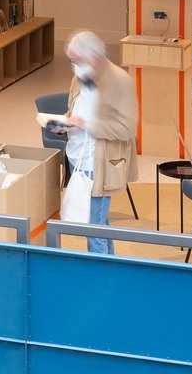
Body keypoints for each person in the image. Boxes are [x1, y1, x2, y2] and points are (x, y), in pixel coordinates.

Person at [59, 31, 136, 254]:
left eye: (76, 60)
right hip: (76, 158)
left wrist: (88, 125)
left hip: (99, 163)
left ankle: (100, 276)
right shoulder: (80, 75)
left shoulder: (119, 81)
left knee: (94, 228)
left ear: (92, 57)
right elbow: (75, 108)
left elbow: (126, 128)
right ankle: (111, 265)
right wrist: (64, 122)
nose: (73, 66)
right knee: (98, 221)